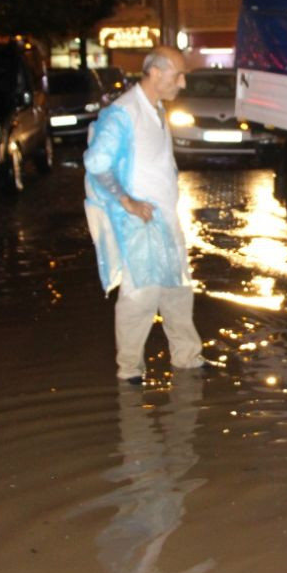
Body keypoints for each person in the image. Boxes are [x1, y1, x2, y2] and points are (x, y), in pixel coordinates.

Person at [84, 46, 206, 384]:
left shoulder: (156, 109)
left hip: (165, 218)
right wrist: (127, 202)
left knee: (177, 288)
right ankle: (130, 370)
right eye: (177, 74)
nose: (182, 82)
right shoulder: (124, 113)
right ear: (154, 72)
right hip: (139, 223)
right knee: (140, 296)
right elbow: (96, 164)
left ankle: (188, 359)